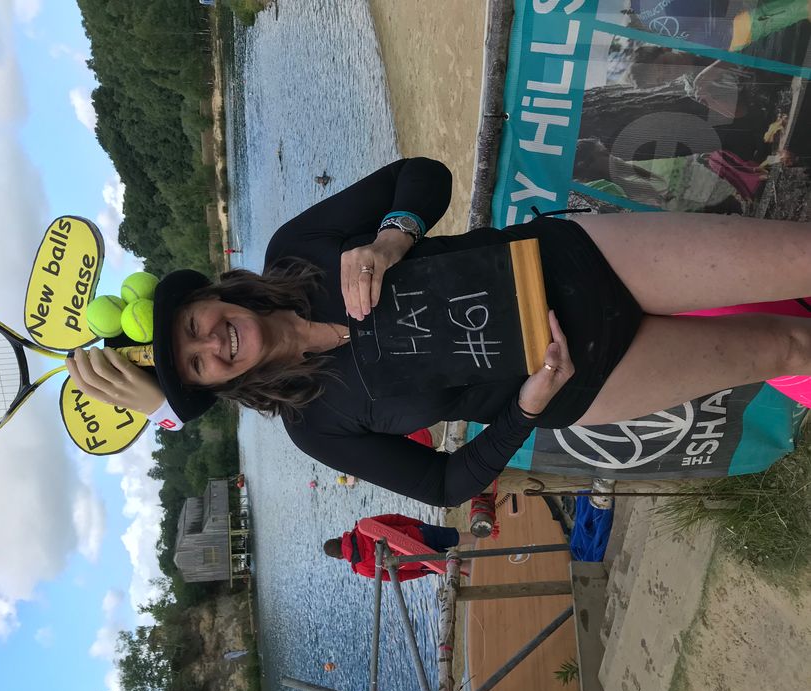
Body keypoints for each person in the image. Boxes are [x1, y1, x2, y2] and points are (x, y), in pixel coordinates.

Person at [66, 157, 811, 508]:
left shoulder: (297, 249)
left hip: (585, 261)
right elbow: (446, 484)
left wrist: (393, 238)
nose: (211, 344)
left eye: (194, 325)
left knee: (799, 258)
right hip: (586, 381)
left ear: (207, 296)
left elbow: (422, 175)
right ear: (217, 385)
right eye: (197, 365)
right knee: (785, 347)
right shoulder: (315, 427)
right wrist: (524, 408)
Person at [322, 514, 477, 581]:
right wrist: (418, 524)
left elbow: (397, 577)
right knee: (461, 537)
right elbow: (394, 519)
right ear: (340, 538)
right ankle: (490, 535)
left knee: (463, 567)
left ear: (340, 557)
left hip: (419, 561)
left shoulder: (363, 569)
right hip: (418, 534)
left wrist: (421, 572)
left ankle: (491, 569)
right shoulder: (363, 528)